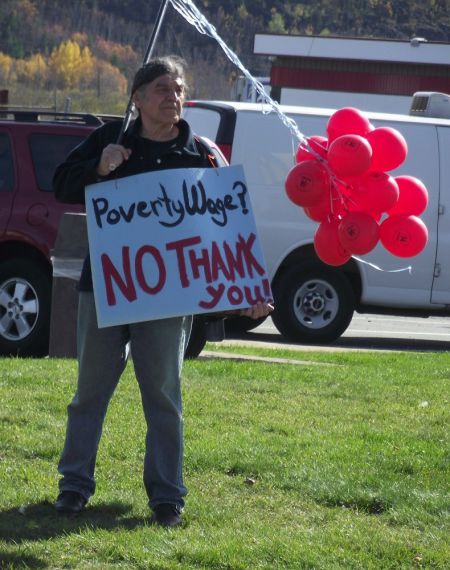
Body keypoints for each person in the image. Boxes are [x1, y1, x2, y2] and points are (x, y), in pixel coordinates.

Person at [53, 56, 272, 527]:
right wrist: (99, 167)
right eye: (161, 89)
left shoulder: (203, 153)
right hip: (106, 290)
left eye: (178, 89)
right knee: (89, 393)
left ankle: (167, 497)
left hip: (168, 300)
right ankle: (73, 487)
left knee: (164, 397)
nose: (172, 97)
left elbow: (226, 233)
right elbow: (60, 184)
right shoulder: (110, 141)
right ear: (137, 97)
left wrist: (250, 290)